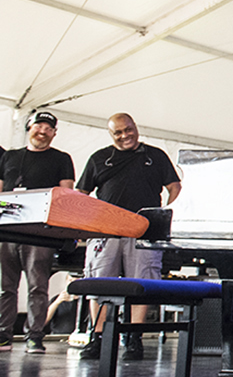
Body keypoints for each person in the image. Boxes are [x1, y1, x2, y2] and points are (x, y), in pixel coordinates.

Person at [75, 113, 182, 360]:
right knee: (99, 282)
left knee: (141, 282)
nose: (125, 136)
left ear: (136, 127)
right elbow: (80, 193)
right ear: (111, 135)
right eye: (118, 133)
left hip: (144, 231)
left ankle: (135, 338)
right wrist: (87, 223)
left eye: (128, 129)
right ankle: (97, 337)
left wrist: (165, 216)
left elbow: (174, 187)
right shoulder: (99, 158)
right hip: (106, 230)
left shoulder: (155, 156)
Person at [0, 111, 76, 353]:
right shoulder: (9, 156)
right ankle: (3, 335)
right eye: (38, 126)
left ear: (54, 133)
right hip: (8, 230)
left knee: (37, 286)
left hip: (40, 232)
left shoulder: (61, 158)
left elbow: (67, 194)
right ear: (29, 128)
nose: (42, 131)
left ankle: (34, 336)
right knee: (5, 286)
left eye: (48, 128)